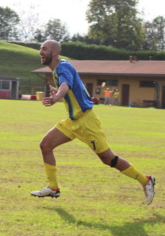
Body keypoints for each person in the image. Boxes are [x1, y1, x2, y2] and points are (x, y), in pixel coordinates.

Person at [31, 40, 155, 204]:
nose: (41, 51)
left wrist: (57, 96)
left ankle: (146, 180)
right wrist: (59, 93)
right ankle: (53, 187)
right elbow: (69, 88)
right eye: (41, 48)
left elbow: (65, 85)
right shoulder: (59, 69)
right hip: (72, 121)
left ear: (54, 52)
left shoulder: (62, 67)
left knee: (108, 158)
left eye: (44, 49)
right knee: (45, 145)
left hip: (86, 121)